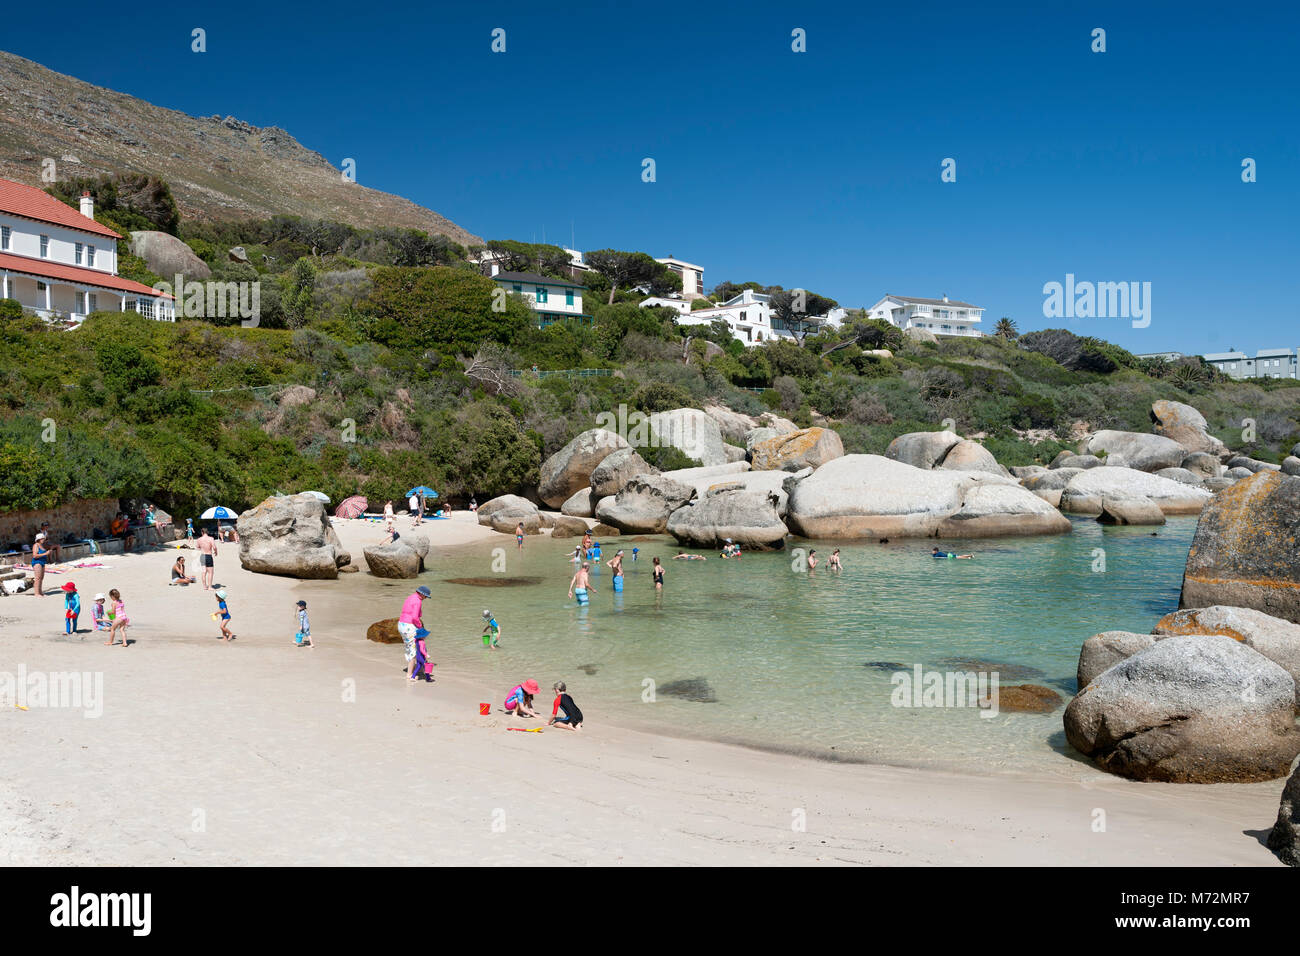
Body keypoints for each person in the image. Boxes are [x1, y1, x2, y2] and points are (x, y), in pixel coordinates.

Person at [398, 586, 430, 682]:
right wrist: (420, 626)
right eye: (426, 596)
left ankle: (420, 668)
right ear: (422, 594)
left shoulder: (410, 597)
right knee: (413, 649)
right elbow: (415, 617)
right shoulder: (418, 601)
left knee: (410, 647)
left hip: (401, 624)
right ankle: (409, 674)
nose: (425, 598)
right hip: (409, 626)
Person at [30, 531, 50, 597]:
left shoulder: (41, 545)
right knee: (38, 578)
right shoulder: (36, 545)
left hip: (42, 562)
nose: (43, 540)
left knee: (41, 578)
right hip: (37, 562)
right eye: (42, 539)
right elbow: (35, 555)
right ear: (39, 539)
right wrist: (45, 553)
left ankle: (40, 592)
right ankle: (36, 593)